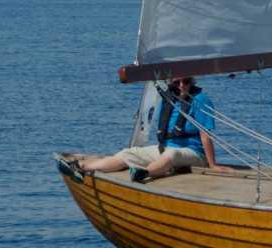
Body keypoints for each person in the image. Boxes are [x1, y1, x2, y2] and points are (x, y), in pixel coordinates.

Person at [77, 77, 228, 182]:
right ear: (171, 82)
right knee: (127, 154)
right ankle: (82, 167)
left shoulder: (200, 100)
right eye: (177, 82)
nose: (182, 86)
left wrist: (212, 164)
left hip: (194, 154)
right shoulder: (169, 99)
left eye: (186, 81)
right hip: (165, 149)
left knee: (172, 154)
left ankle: (144, 173)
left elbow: (205, 136)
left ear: (192, 81)